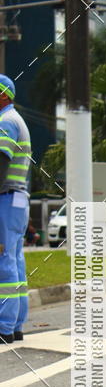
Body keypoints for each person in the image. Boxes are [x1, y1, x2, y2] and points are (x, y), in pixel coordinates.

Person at [0, 74, 32, 344]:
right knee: (15, 260)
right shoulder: (16, 119)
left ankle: (4, 327)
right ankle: (17, 324)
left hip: (5, 198)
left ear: (3, 95)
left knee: (3, 261)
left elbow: (1, 162)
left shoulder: (6, 122)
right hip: (17, 199)